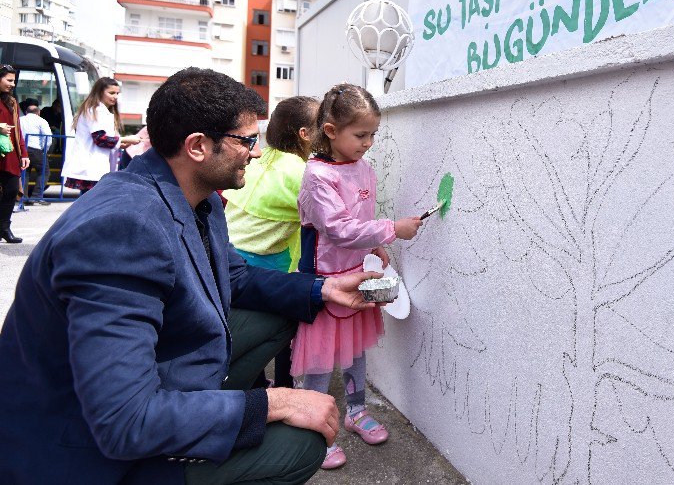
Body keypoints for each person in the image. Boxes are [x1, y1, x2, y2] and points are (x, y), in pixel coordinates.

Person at [0, 68, 386, 484]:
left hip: (138, 387)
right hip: (81, 454)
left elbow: (236, 278)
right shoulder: (120, 230)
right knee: (299, 446)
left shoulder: (195, 199)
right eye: (247, 141)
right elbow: (123, 421)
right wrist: (271, 403)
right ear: (198, 147)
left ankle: (197, 415)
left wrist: (324, 287)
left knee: (287, 308)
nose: (256, 154)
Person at [291, 83, 424, 470]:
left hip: (357, 272)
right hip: (324, 280)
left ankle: (355, 410)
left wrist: (374, 248)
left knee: (355, 350)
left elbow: (361, 223)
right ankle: (313, 430)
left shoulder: (362, 166)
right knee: (319, 360)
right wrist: (391, 230)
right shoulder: (317, 176)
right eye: (360, 135)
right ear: (331, 132)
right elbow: (338, 229)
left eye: (372, 135)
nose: (368, 143)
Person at [223, 95, 320, 388]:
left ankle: (256, 385)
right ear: (304, 134)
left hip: (227, 255)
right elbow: (328, 218)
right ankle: (281, 388)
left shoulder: (260, 159)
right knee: (283, 327)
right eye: (323, 127)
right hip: (260, 264)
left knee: (242, 333)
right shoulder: (302, 172)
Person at [62, 77, 141, 193]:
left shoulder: (101, 111)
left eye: (117, 93)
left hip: (95, 166)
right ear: (100, 92)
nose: (115, 96)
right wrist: (127, 139)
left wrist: (120, 144)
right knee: (90, 204)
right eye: (111, 93)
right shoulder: (95, 110)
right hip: (90, 166)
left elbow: (103, 141)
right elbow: (100, 139)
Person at [0, 64, 29, 243]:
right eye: (9, 80)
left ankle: (4, 228)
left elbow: (18, 130)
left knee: (11, 191)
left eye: (14, 81)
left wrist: (24, 154)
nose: (12, 84)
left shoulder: (12, 102)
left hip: (10, 155)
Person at [19, 103, 52, 206]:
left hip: (22, 149)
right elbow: (48, 137)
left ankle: (23, 197)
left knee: (25, 173)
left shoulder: (20, 119)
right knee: (44, 171)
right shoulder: (41, 121)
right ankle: (37, 196)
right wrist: (45, 150)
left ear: (26, 112)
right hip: (36, 149)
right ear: (38, 112)